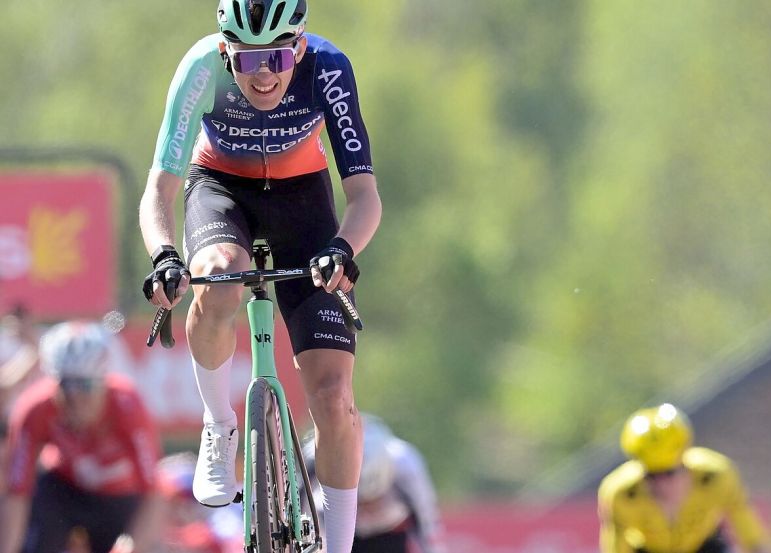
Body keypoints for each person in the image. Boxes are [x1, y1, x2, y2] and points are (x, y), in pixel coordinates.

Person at [138, 0, 382, 551]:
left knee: (334, 397)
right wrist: (165, 257)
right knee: (221, 275)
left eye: (277, 56)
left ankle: (340, 544)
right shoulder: (201, 69)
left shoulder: (329, 68)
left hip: (304, 202)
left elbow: (364, 195)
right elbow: (159, 191)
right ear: (226, 53)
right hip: (222, 190)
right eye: (248, 61)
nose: (265, 73)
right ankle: (219, 423)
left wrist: (343, 248)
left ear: (298, 47)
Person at [0, 321, 163, 553]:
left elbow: (154, 492)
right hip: (65, 489)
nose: (76, 398)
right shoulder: (35, 408)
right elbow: (17, 494)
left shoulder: (128, 406)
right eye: (67, 386)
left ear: (103, 382)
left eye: (86, 385)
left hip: (120, 497)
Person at [598, 403, 771, 553]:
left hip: (705, 547)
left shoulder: (716, 476)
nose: (662, 484)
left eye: (670, 473)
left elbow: (750, 533)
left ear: (685, 460)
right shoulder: (620, 494)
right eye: (651, 476)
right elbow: (615, 547)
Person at [304, 415, 446, 553]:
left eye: (373, 499)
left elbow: (427, 520)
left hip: (391, 533)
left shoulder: (406, 465)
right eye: (361, 502)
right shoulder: (315, 458)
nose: (367, 509)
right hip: (342, 530)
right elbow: (305, 517)